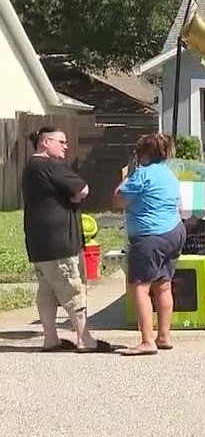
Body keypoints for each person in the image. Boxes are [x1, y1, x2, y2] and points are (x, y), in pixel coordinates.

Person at [22, 127, 112, 353]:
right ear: (45, 142)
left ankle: (50, 339)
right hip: (59, 241)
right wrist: (73, 196)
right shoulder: (49, 166)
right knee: (72, 288)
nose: (66, 146)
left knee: (47, 291)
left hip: (38, 242)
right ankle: (85, 340)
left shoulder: (30, 167)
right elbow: (82, 189)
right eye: (61, 141)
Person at [114, 133, 184, 356]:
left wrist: (126, 177)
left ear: (141, 153)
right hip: (174, 231)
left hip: (149, 237)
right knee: (163, 284)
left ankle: (147, 340)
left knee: (140, 287)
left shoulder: (142, 175)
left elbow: (117, 200)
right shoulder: (169, 174)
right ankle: (163, 335)